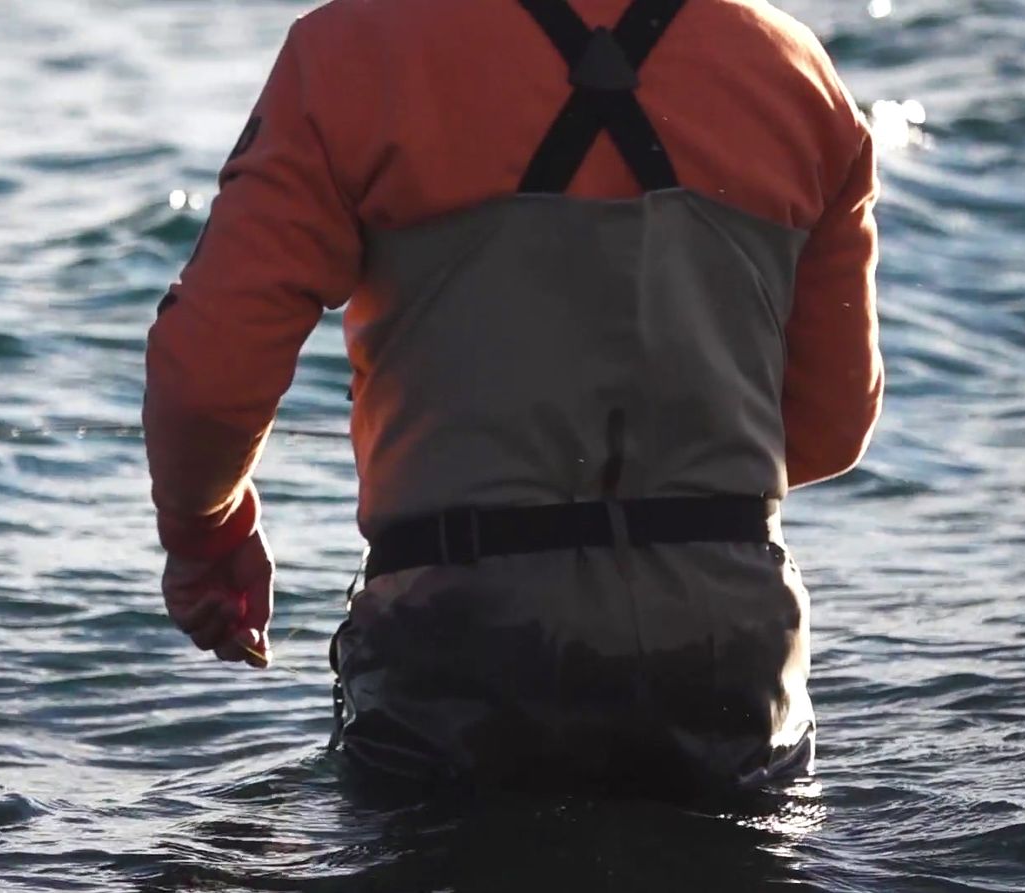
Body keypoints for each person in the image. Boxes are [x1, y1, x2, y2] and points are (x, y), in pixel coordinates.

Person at [146, 0, 882, 792]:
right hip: (728, 655)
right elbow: (828, 427)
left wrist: (207, 535)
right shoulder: (793, 70)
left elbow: (206, 383)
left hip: (463, 652)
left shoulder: (356, 52)